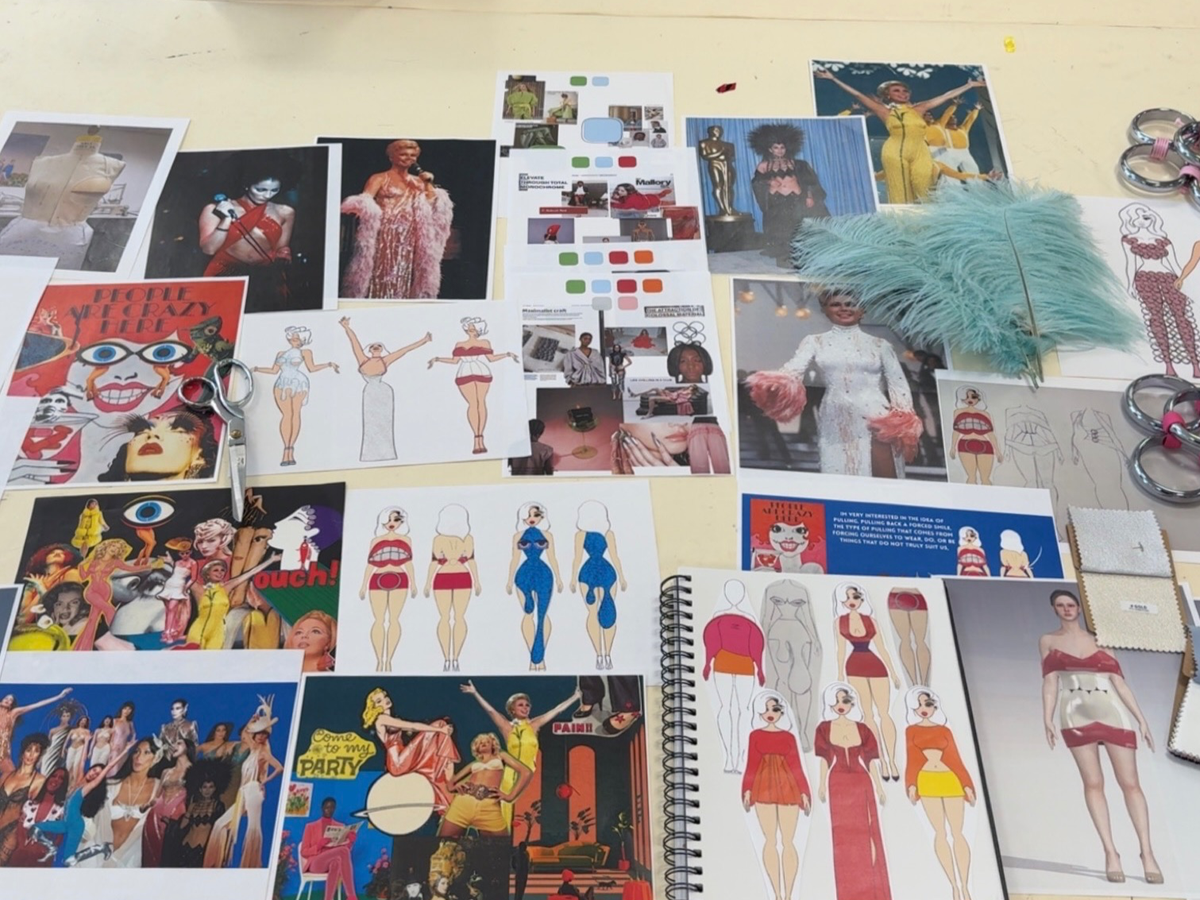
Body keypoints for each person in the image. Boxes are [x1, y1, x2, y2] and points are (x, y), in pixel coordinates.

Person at [1040, 589, 1161, 884]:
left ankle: (1147, 853)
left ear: (1079, 608)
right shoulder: (1048, 641)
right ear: (1054, 609)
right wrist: (1047, 717)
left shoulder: (1102, 639)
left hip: (1112, 711)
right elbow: (1050, 683)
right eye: (1061, 605)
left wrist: (1141, 719)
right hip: (1075, 713)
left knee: (1131, 784)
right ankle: (1110, 852)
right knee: (1093, 783)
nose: (1067, 609)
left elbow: (1120, 683)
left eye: (1071, 604)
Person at [758, 289, 918, 478]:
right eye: (836, 304)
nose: (844, 308)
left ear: (862, 310)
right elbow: (793, 370)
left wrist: (902, 420)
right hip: (835, 416)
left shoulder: (880, 345)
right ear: (825, 310)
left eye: (850, 304)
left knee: (881, 474)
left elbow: (897, 383)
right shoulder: (814, 342)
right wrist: (771, 384)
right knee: (839, 470)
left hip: (876, 415)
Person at [815, 68, 987, 203]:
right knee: (900, 194)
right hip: (895, 151)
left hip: (921, 152)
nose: (903, 93)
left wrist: (969, 85)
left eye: (905, 91)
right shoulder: (884, 111)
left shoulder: (920, 108)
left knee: (925, 191)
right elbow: (857, 94)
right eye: (896, 91)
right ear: (887, 95)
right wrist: (833, 78)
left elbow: (946, 96)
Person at [340, 139, 454, 300]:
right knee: (380, 268)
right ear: (392, 157)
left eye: (412, 155)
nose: (409, 158)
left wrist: (428, 184)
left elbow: (432, 205)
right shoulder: (379, 178)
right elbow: (365, 200)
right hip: (384, 231)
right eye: (403, 154)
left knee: (404, 269)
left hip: (409, 233)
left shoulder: (417, 181)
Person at [461, 680, 580, 825]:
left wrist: (575, 696)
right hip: (510, 776)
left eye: (527, 705)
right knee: (505, 811)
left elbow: (556, 710)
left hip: (531, 776)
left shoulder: (534, 725)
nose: (525, 707)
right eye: (521, 705)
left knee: (530, 814)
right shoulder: (507, 727)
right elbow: (491, 711)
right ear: (512, 709)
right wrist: (475, 693)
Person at [814, 683, 891, 900]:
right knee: (844, 839)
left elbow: (871, 761)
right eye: (837, 700)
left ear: (851, 703)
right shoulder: (824, 728)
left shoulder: (863, 729)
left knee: (869, 834)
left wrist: (879, 786)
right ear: (830, 702)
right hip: (838, 784)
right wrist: (821, 784)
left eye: (845, 700)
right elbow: (823, 759)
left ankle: (873, 890)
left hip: (862, 782)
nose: (841, 704)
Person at [904, 687, 977, 900]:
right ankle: (953, 885)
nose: (924, 708)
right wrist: (911, 784)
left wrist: (966, 784)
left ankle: (965, 886)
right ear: (913, 707)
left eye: (928, 704)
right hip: (927, 781)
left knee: (958, 832)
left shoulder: (945, 730)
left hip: (950, 779)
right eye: (919, 704)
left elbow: (955, 758)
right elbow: (912, 759)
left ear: (934, 706)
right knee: (940, 832)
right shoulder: (911, 731)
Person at [742, 692, 811, 900]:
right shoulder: (755, 735)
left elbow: (796, 765)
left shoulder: (789, 737)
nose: (770, 713)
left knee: (788, 841)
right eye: (766, 709)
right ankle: (776, 894)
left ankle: (789, 894)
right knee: (770, 840)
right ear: (759, 712)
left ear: (781, 712)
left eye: (775, 709)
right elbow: (751, 764)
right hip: (763, 787)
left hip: (788, 787)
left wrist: (804, 792)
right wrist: (747, 789)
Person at [1119, 203, 1200, 379]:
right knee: (1157, 319)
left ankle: (1195, 364)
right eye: (1138, 217)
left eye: (1146, 216)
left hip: (1169, 278)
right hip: (1145, 279)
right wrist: (1130, 284)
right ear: (1131, 220)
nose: (1143, 219)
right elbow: (1131, 263)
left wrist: (1184, 282)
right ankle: (1168, 365)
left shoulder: (1163, 240)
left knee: (1182, 319)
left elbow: (1174, 264)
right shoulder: (1129, 240)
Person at [199, 169, 295, 312]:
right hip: (225, 271)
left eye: (274, 190)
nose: (267, 195)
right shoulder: (214, 209)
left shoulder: (285, 212)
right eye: (261, 189)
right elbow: (209, 249)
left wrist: (284, 256)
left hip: (265, 276)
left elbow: (281, 248)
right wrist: (226, 219)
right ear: (247, 185)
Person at [204, 698, 284, 868]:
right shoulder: (253, 748)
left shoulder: (264, 753)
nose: (261, 736)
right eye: (259, 733)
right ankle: (214, 863)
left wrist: (264, 782)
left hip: (253, 789)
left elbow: (279, 768)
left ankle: (251, 864)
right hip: (243, 791)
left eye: (264, 734)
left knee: (253, 828)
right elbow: (245, 734)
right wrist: (252, 719)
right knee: (220, 824)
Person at [339, 317, 432, 463]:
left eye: (379, 346)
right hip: (369, 394)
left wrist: (424, 340)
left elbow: (404, 350)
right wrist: (346, 327)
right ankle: (370, 454)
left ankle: (387, 453)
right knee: (371, 424)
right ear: (369, 350)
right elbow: (354, 342)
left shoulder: (385, 360)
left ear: (382, 350)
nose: (376, 347)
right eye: (373, 346)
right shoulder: (362, 360)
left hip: (384, 394)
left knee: (384, 423)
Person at [833, 583, 901, 781]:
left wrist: (894, 673)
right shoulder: (840, 622)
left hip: (876, 666)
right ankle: (881, 761)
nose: (851, 601)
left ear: (861, 599)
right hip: (854, 667)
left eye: (855, 597)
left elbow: (882, 647)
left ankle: (892, 760)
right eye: (847, 598)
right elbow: (840, 649)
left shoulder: (870, 620)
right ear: (842, 601)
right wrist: (839, 674)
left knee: (884, 713)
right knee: (868, 715)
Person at [427, 317, 518, 455]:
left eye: (473, 326)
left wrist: (507, 354)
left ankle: (481, 438)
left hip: (481, 371)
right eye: (469, 326)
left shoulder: (485, 342)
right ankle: (476, 438)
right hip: (464, 372)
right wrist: (437, 359)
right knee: (472, 404)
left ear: (479, 329)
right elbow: (454, 361)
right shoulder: (459, 344)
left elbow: (491, 359)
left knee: (481, 402)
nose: (471, 328)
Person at [253, 325, 340, 467]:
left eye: (299, 338)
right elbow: (273, 370)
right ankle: (285, 449)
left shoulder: (305, 352)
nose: (295, 340)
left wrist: (328, 364)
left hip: (298, 384)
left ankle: (290, 450)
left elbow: (312, 368)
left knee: (295, 415)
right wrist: (256, 369)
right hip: (282, 384)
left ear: (303, 340)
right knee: (286, 415)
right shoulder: (281, 353)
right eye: (293, 337)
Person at [361, 688, 458, 812]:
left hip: (403, 756)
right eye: (379, 701)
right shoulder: (381, 719)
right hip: (397, 763)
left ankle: (446, 771)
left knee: (438, 729)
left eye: (385, 696)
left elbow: (412, 729)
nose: (385, 700)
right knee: (439, 725)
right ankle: (448, 776)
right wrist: (439, 730)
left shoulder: (392, 719)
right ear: (375, 707)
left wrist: (437, 732)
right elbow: (412, 726)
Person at [748, 123, 829, 265]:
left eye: (782, 147)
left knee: (799, 226)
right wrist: (769, 184)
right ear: (769, 149)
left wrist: (809, 197)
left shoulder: (798, 164)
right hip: (777, 201)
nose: (779, 151)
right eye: (776, 147)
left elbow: (810, 182)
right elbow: (757, 183)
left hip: (796, 199)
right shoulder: (763, 166)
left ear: (787, 148)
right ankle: (784, 257)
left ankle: (803, 255)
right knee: (780, 228)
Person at [74, 736, 161, 869]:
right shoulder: (110, 785)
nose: (138, 757)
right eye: (137, 751)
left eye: (146, 752)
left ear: (156, 758)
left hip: (128, 862)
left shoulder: (159, 789)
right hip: (94, 858)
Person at [437, 734, 532, 839]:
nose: (483, 743)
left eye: (487, 741)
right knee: (443, 843)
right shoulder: (474, 764)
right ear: (476, 748)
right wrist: (455, 787)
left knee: (501, 846)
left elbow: (526, 772)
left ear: (493, 745)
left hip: (489, 807)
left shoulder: (501, 756)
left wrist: (510, 797)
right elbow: (451, 784)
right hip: (462, 804)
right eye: (480, 742)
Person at [506, 502, 565, 670]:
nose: (532, 518)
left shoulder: (547, 535)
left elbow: (552, 557)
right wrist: (509, 579)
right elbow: (515, 558)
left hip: (543, 574)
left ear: (542, 517)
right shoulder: (518, 536)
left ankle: (541, 657)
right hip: (524, 574)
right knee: (528, 614)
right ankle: (532, 658)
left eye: (536, 515)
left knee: (543, 615)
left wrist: (559, 578)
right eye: (529, 515)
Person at [571, 501, 627, 670]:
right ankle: (599, 654)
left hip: (605, 572)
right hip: (588, 574)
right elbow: (577, 557)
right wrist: (573, 578)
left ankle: (607, 654)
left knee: (608, 612)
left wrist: (622, 577)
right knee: (592, 612)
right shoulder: (580, 535)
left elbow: (615, 556)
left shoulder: (608, 533)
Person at [423, 504, 479, 672]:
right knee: (445, 617)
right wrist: (427, 582)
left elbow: (471, 560)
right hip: (443, 578)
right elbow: (434, 561)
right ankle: (446, 657)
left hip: (462, 577)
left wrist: (477, 581)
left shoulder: (468, 538)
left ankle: (456, 657)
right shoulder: (438, 539)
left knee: (459, 617)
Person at [360, 507, 416, 672]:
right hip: (378, 579)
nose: (392, 523)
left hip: (400, 578)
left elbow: (409, 563)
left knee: (394, 619)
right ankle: (379, 660)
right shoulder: (376, 541)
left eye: (396, 519)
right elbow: (370, 564)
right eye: (389, 519)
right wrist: (363, 585)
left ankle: (389, 659)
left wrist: (413, 583)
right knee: (378, 620)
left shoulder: (406, 539)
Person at [74, 539, 143, 652]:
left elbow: (130, 569)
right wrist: (81, 565)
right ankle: (118, 638)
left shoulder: (116, 562)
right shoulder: (94, 560)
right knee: (110, 610)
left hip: (105, 590)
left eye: (117, 548)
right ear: (107, 546)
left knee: (93, 619)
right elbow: (83, 577)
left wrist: (147, 566)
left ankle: (83, 647)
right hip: (92, 591)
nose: (114, 549)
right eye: (113, 546)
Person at [0, 733, 50, 863]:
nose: (31, 755)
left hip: (11, 835)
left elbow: (36, 813)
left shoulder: (40, 780)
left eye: (36, 751)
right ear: (23, 752)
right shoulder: (7, 775)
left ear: (39, 755)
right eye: (29, 750)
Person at [173, 759, 230, 868]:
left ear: (215, 788)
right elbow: (182, 827)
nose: (207, 790)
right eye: (204, 787)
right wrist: (189, 811)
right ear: (199, 789)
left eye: (211, 787)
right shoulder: (193, 805)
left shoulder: (218, 806)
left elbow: (221, 831)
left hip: (203, 850)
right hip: (185, 847)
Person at [301, 797, 360, 900]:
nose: (329, 810)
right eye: (327, 807)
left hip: (332, 861)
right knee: (342, 852)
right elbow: (304, 852)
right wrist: (318, 845)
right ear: (322, 808)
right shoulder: (310, 827)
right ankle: (351, 896)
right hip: (315, 863)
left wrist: (350, 842)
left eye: (332, 807)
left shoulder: (340, 826)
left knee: (336, 862)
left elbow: (344, 852)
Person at [949, 385, 1001, 485]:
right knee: (971, 477)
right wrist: (952, 447)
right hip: (964, 444)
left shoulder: (985, 414)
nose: (970, 399)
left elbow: (990, 434)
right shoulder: (958, 412)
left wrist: (998, 451)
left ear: (978, 398)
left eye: (973, 397)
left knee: (985, 478)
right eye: (967, 397)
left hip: (985, 445)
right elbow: (956, 431)